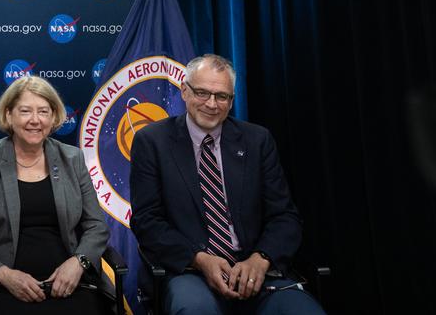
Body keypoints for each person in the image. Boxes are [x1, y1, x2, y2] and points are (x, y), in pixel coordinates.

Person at [130, 55, 326, 315]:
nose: (212, 104)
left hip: (257, 272)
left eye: (222, 96)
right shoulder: (152, 142)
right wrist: (200, 260)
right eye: (202, 93)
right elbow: (146, 221)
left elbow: (285, 217)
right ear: (184, 91)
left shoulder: (257, 140)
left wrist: (261, 258)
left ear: (231, 100)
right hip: (190, 272)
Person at [0, 75, 113, 314]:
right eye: (25, 111)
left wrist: (79, 263)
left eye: (44, 112)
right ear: (8, 115)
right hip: (1, 288)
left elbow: (97, 226)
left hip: (70, 285)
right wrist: (3, 275)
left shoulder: (73, 159)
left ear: (54, 116)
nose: (35, 120)